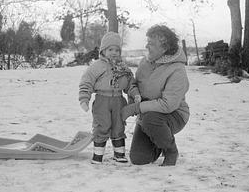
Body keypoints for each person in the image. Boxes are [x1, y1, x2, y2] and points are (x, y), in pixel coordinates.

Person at [121, 25, 189, 166]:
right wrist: (133, 97)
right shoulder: (145, 62)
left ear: (164, 48)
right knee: (139, 159)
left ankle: (170, 150)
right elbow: (135, 84)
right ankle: (159, 138)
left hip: (173, 115)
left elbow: (167, 104)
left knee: (151, 120)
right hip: (146, 115)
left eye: (151, 43)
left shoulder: (177, 70)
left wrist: (136, 108)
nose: (147, 46)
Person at [79, 32, 140, 164]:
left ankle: (119, 154)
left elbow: (130, 83)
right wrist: (84, 99)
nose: (114, 52)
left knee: (119, 126)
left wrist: (135, 94)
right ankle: (97, 156)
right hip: (102, 100)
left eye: (117, 50)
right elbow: (86, 82)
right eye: (110, 49)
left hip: (118, 101)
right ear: (103, 51)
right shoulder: (97, 66)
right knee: (102, 126)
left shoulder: (123, 67)